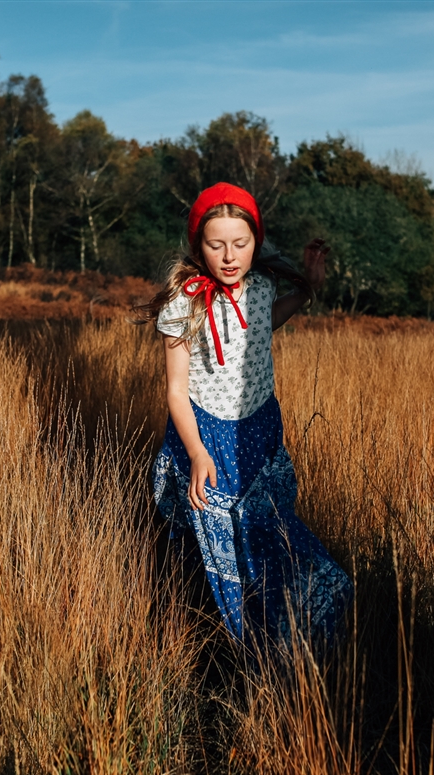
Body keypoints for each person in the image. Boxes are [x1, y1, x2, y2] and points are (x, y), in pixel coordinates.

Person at [135, 182, 353, 654]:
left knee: (265, 532)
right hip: (205, 433)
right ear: (199, 246)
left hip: (258, 429)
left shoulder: (260, 287)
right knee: (214, 540)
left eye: (241, 243)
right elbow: (174, 391)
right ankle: (228, 645)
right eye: (216, 245)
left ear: (256, 241)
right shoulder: (184, 302)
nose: (229, 256)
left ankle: (287, 637)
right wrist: (195, 452)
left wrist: (308, 290)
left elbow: (264, 322)